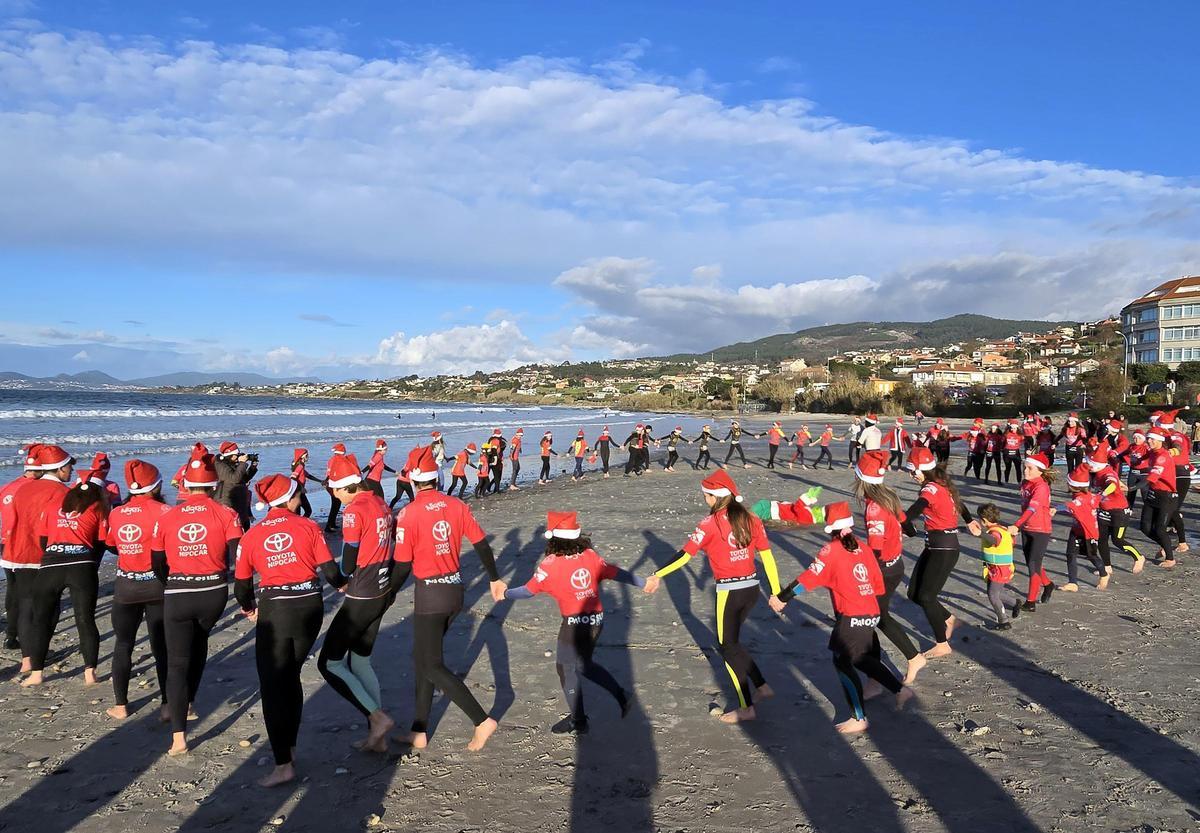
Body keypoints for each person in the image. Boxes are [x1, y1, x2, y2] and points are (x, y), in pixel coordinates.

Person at [235, 473, 347, 787]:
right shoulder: (309, 527)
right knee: (290, 676)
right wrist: (344, 585)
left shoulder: (251, 536)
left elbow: (242, 587)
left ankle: (283, 765)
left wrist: (249, 609)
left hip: (276, 610)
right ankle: (291, 747)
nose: (301, 497)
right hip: (310, 608)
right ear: (289, 499)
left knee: (273, 687)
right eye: (299, 493)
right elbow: (331, 572)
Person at [391, 446, 505, 752]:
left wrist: (387, 593)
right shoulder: (456, 505)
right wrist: (494, 578)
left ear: (413, 480)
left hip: (430, 595)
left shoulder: (408, 514)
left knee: (431, 665)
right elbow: (481, 544)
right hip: (455, 591)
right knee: (423, 659)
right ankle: (419, 731)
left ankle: (482, 720)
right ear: (437, 477)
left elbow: (402, 565)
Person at [644, 470, 781, 724]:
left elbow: (684, 555)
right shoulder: (751, 518)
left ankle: (746, 707)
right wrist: (775, 591)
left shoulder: (709, 524)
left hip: (730, 592)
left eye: (706, 495)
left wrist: (657, 574)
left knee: (727, 647)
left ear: (714, 497)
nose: (704, 499)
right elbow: (768, 557)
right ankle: (761, 686)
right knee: (733, 643)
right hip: (752, 590)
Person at [768, 501, 912, 734]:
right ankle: (900, 689)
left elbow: (808, 578)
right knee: (859, 657)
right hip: (871, 610)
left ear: (831, 529)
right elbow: (877, 584)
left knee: (842, 660)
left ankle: (859, 716)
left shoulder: (831, 550)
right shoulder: (863, 547)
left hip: (853, 613)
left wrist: (783, 598)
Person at [504, 511, 641, 734]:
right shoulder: (590, 555)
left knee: (565, 669)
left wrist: (505, 593)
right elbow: (615, 572)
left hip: (574, 625)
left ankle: (579, 721)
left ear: (553, 538)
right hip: (597, 621)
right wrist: (642, 582)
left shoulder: (550, 564)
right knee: (584, 665)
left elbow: (528, 591)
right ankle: (622, 696)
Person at [152, 450, 243, 756]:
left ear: (186, 485)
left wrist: (171, 582)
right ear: (214, 485)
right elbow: (239, 553)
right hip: (213, 593)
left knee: (177, 663)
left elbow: (157, 562)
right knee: (200, 641)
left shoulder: (167, 516)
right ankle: (189, 701)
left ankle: (178, 738)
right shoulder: (226, 514)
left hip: (178, 593)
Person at [316, 454, 398, 753]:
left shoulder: (353, 511)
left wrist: (339, 578)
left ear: (347, 487)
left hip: (362, 594)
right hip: (382, 589)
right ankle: (378, 737)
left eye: (335, 490)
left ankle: (377, 718)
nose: (334, 495)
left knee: (329, 663)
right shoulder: (380, 503)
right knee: (361, 660)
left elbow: (348, 562)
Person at [23, 466, 109, 688]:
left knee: (41, 620)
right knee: (85, 619)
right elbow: (102, 541)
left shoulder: (53, 506)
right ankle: (90, 673)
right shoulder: (98, 507)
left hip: (51, 565)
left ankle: (36, 673)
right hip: (82, 567)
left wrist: (55, 553)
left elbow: (43, 540)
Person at [104, 460, 171, 720]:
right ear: (156, 486)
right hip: (157, 586)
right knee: (162, 647)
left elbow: (112, 545)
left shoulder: (117, 513)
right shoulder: (165, 511)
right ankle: (167, 705)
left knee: (123, 644)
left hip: (126, 586)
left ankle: (120, 705)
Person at [852, 450, 925, 684]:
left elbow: (875, 549)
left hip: (883, 570)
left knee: (872, 618)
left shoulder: (874, 508)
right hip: (896, 566)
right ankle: (881, 673)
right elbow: (907, 525)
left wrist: (862, 574)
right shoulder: (889, 497)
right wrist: (907, 532)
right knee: (875, 617)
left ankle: (908, 661)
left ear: (861, 479)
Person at [5, 444, 75, 675]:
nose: (71, 470)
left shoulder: (24, 488)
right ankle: (37, 656)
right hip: (47, 554)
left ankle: (26, 659)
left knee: (26, 604)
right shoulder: (63, 493)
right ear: (59, 468)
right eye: (69, 466)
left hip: (19, 551)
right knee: (49, 607)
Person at [900, 447, 974, 658]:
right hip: (933, 547)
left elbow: (915, 509)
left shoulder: (930, 488)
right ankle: (949, 620)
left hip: (944, 549)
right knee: (914, 594)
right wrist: (969, 520)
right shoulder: (941, 483)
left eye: (912, 471)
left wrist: (903, 523)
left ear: (921, 470)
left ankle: (942, 644)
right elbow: (959, 503)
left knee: (926, 597)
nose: (911, 476)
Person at [0, 446, 44, 650]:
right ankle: (27, 639)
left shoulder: (7, 487)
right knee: (29, 594)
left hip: (5, 543)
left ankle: (11, 633)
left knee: (13, 587)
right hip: (26, 545)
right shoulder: (36, 490)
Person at [1009, 452, 1057, 612]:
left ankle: (1030, 602)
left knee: (1033, 566)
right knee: (1033, 562)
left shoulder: (1041, 486)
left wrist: (1016, 525)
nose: (1025, 471)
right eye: (1025, 467)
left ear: (1040, 471)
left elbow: (1032, 508)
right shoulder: (1025, 483)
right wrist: (1021, 526)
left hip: (1041, 530)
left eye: (1030, 468)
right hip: (1026, 528)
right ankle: (1048, 585)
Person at [1087, 449, 1145, 574]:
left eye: (1090, 464)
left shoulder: (1107, 472)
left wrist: (1102, 495)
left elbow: (1112, 485)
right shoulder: (1093, 474)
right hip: (1103, 510)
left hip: (1119, 512)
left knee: (1117, 540)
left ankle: (1138, 557)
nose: (1088, 466)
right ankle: (1107, 566)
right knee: (1101, 539)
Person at [973, 503, 1025, 630]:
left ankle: (1003, 621)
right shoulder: (1002, 529)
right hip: (996, 567)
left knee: (993, 595)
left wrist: (980, 533)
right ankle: (1015, 603)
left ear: (984, 520)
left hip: (1000, 569)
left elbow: (994, 540)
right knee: (996, 592)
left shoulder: (995, 532)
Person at [1059, 464, 1106, 591]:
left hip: (1088, 532)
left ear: (1074, 486)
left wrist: (1054, 509)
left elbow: (1070, 506)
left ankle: (1104, 574)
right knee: (1070, 554)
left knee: (1091, 555)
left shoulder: (1081, 499)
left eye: (1068, 483)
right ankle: (1072, 582)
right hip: (1076, 529)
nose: (1067, 484)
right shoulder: (1083, 495)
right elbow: (1098, 497)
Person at [1141, 426, 1179, 566]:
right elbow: (1140, 457)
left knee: (1160, 529)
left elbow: (1152, 476)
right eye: (1148, 439)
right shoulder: (1152, 452)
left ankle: (1170, 559)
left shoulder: (1163, 456)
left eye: (1152, 439)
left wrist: (1131, 488)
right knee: (1145, 527)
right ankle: (1165, 545)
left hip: (1166, 496)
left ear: (1160, 440)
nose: (1149, 441)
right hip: (1153, 493)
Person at [1160, 410, 1191, 557]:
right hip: (1173, 473)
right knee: (1171, 508)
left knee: (1172, 508)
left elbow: (1177, 448)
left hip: (1179, 475)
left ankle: (1182, 542)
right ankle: (1172, 533)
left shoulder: (1174, 435)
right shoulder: (1165, 436)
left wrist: (1167, 454)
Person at [214, 441, 257, 530]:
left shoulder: (233, 464)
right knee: (235, 530)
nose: (238, 457)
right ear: (229, 455)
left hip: (239, 502)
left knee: (245, 527)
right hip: (228, 502)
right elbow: (234, 479)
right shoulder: (220, 465)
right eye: (236, 455)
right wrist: (242, 463)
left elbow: (243, 479)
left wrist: (253, 466)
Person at [324, 442, 350, 533]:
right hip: (333, 484)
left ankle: (332, 524)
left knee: (336, 504)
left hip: (332, 484)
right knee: (335, 505)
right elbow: (331, 473)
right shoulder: (337, 459)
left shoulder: (333, 459)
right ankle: (328, 526)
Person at [290, 448, 320, 518]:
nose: (308, 457)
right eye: (307, 455)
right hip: (297, 493)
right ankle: (301, 523)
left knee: (300, 513)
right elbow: (292, 478)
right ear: (302, 456)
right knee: (307, 511)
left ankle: (299, 523)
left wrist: (321, 481)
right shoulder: (300, 466)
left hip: (298, 492)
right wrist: (301, 487)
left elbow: (309, 476)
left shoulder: (301, 466)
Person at [488, 429, 508, 494]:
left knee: (498, 476)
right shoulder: (495, 441)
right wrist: (495, 460)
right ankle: (497, 490)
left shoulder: (497, 441)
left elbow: (500, 453)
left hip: (497, 459)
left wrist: (502, 460)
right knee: (497, 476)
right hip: (494, 459)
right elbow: (493, 451)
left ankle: (491, 487)